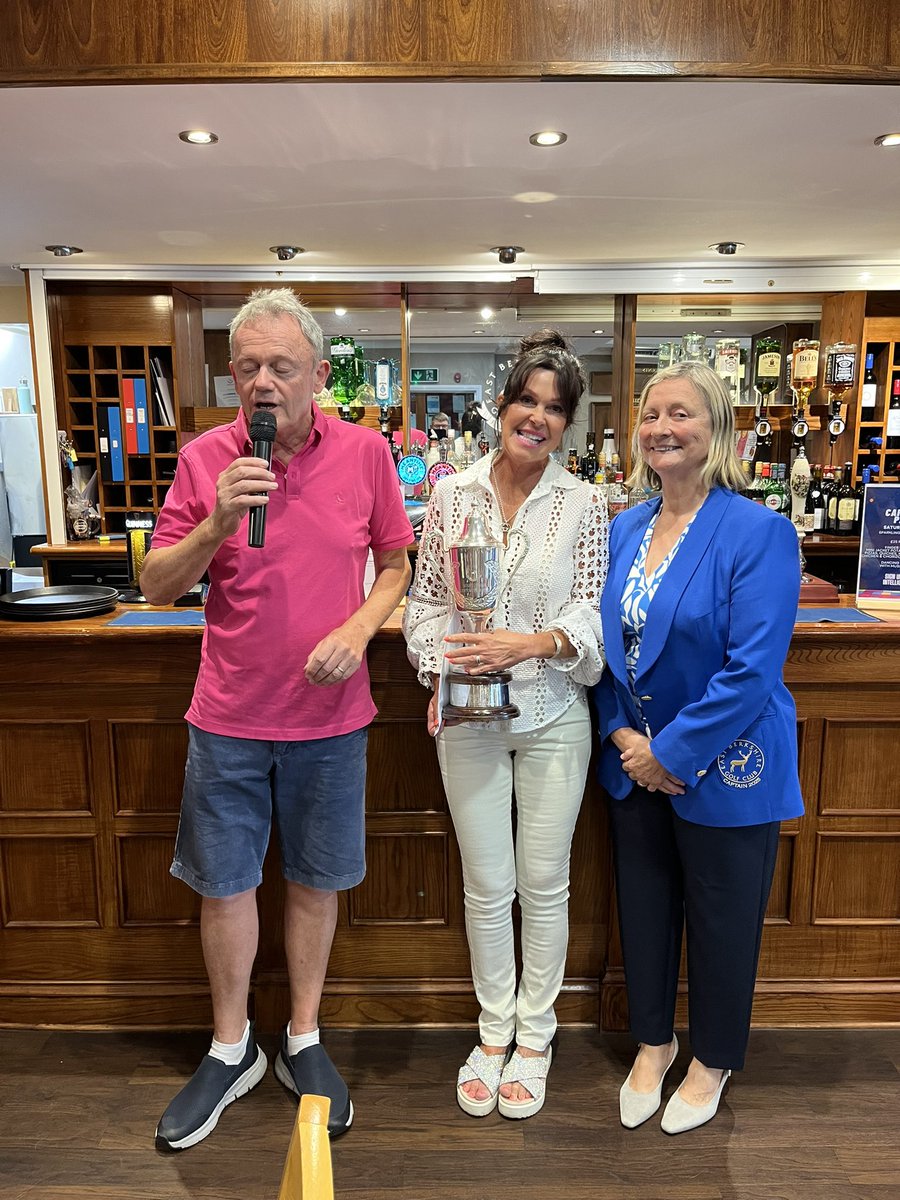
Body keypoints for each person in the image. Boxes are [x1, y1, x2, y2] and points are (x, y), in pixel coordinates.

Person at [141, 288, 413, 1150]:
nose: (263, 383)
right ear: (231, 376)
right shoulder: (204, 461)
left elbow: (397, 564)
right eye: (248, 367)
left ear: (318, 376)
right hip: (227, 714)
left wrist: (360, 627)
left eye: (281, 367)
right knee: (224, 883)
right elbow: (157, 586)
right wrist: (218, 517)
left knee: (317, 879)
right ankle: (231, 1050)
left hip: (331, 716)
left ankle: (302, 1036)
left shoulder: (367, 454)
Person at [402, 330, 608, 1120]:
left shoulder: (585, 501)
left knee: (542, 886)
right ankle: (492, 1033)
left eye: (555, 409)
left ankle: (536, 1035)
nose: (538, 417)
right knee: (487, 887)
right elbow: (425, 601)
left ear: (568, 425)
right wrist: (441, 668)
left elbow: (590, 611)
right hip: (469, 717)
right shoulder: (450, 493)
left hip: (555, 712)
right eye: (527, 399)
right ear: (501, 404)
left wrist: (533, 643)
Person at [594, 361, 803, 1135]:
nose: (662, 429)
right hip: (632, 766)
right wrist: (621, 735)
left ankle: (711, 1060)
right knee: (645, 911)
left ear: (716, 430)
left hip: (726, 768)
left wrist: (670, 754)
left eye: (681, 414)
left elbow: (752, 670)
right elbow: (603, 647)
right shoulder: (623, 527)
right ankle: (654, 1042)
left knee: (722, 920)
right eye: (651, 415)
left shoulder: (759, 532)